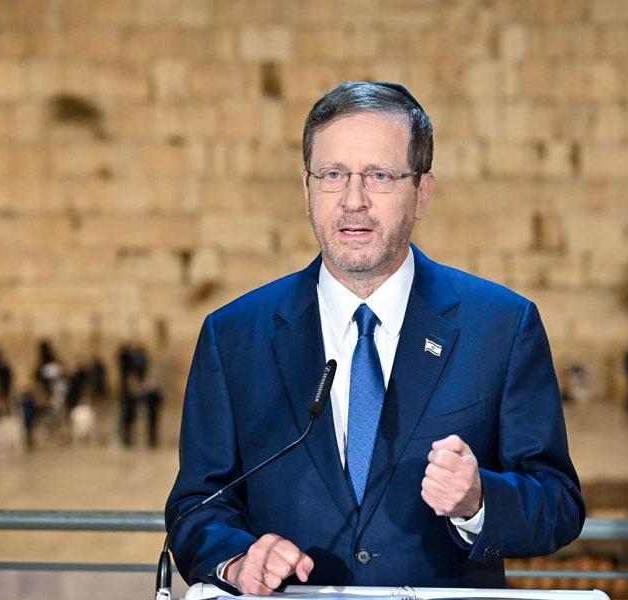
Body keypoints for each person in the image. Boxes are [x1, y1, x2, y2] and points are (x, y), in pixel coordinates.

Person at [166, 82, 584, 596]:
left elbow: (558, 504)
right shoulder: (233, 336)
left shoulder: (500, 325)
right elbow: (196, 507)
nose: (354, 201)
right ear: (307, 189)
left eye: (380, 176)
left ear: (422, 193)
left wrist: (479, 501)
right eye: (333, 175)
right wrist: (235, 560)